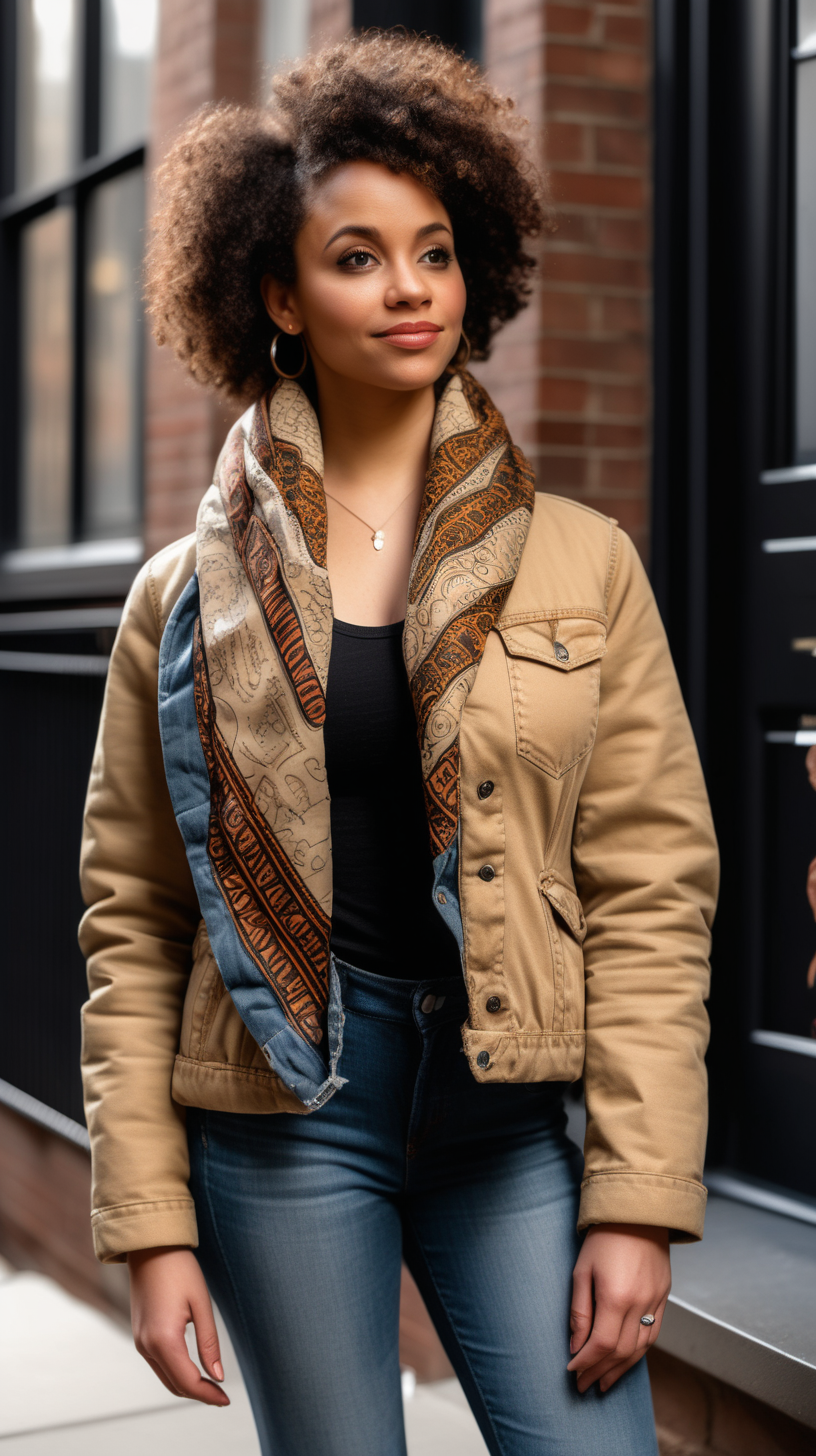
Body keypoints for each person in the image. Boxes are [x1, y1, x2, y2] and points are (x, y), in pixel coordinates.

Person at [79, 31, 718, 1456]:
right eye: (356, 256)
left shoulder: (583, 562)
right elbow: (132, 917)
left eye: (433, 250)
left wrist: (635, 1193)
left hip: (506, 1117)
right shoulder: (179, 599)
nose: (410, 287)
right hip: (285, 1111)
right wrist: (148, 1225)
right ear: (278, 296)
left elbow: (654, 894)